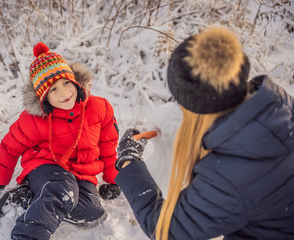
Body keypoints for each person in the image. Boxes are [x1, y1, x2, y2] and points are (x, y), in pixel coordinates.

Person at [114, 26, 294, 240]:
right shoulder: (280, 104)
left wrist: (129, 160)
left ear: (197, 107)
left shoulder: (231, 175)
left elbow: (166, 228)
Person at [0, 42, 121, 240]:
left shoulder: (100, 108)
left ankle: (26, 197)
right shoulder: (35, 118)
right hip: (45, 166)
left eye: (66, 83)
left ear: (75, 81)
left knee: (92, 213)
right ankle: (27, 235)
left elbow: (108, 146)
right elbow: (9, 148)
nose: (64, 93)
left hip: (82, 173)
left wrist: (112, 179)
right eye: (53, 89)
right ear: (44, 97)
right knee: (63, 189)